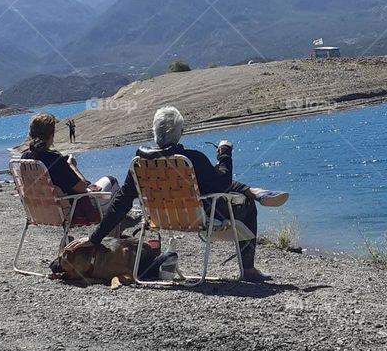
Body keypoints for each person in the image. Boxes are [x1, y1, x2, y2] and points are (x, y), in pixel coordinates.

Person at [73, 105, 272, 282]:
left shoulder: (140, 163)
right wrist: (224, 153)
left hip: (160, 219)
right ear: (181, 132)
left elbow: (122, 201)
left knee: (225, 193)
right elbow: (222, 182)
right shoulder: (191, 159)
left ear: (154, 132)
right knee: (246, 204)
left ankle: (247, 194)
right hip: (198, 218)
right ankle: (248, 269)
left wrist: (95, 238)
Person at [25, 113, 116, 225]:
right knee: (112, 182)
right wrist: (72, 165)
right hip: (71, 208)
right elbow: (81, 188)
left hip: (39, 210)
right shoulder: (55, 160)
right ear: (51, 134)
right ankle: (114, 230)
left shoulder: (25, 159)